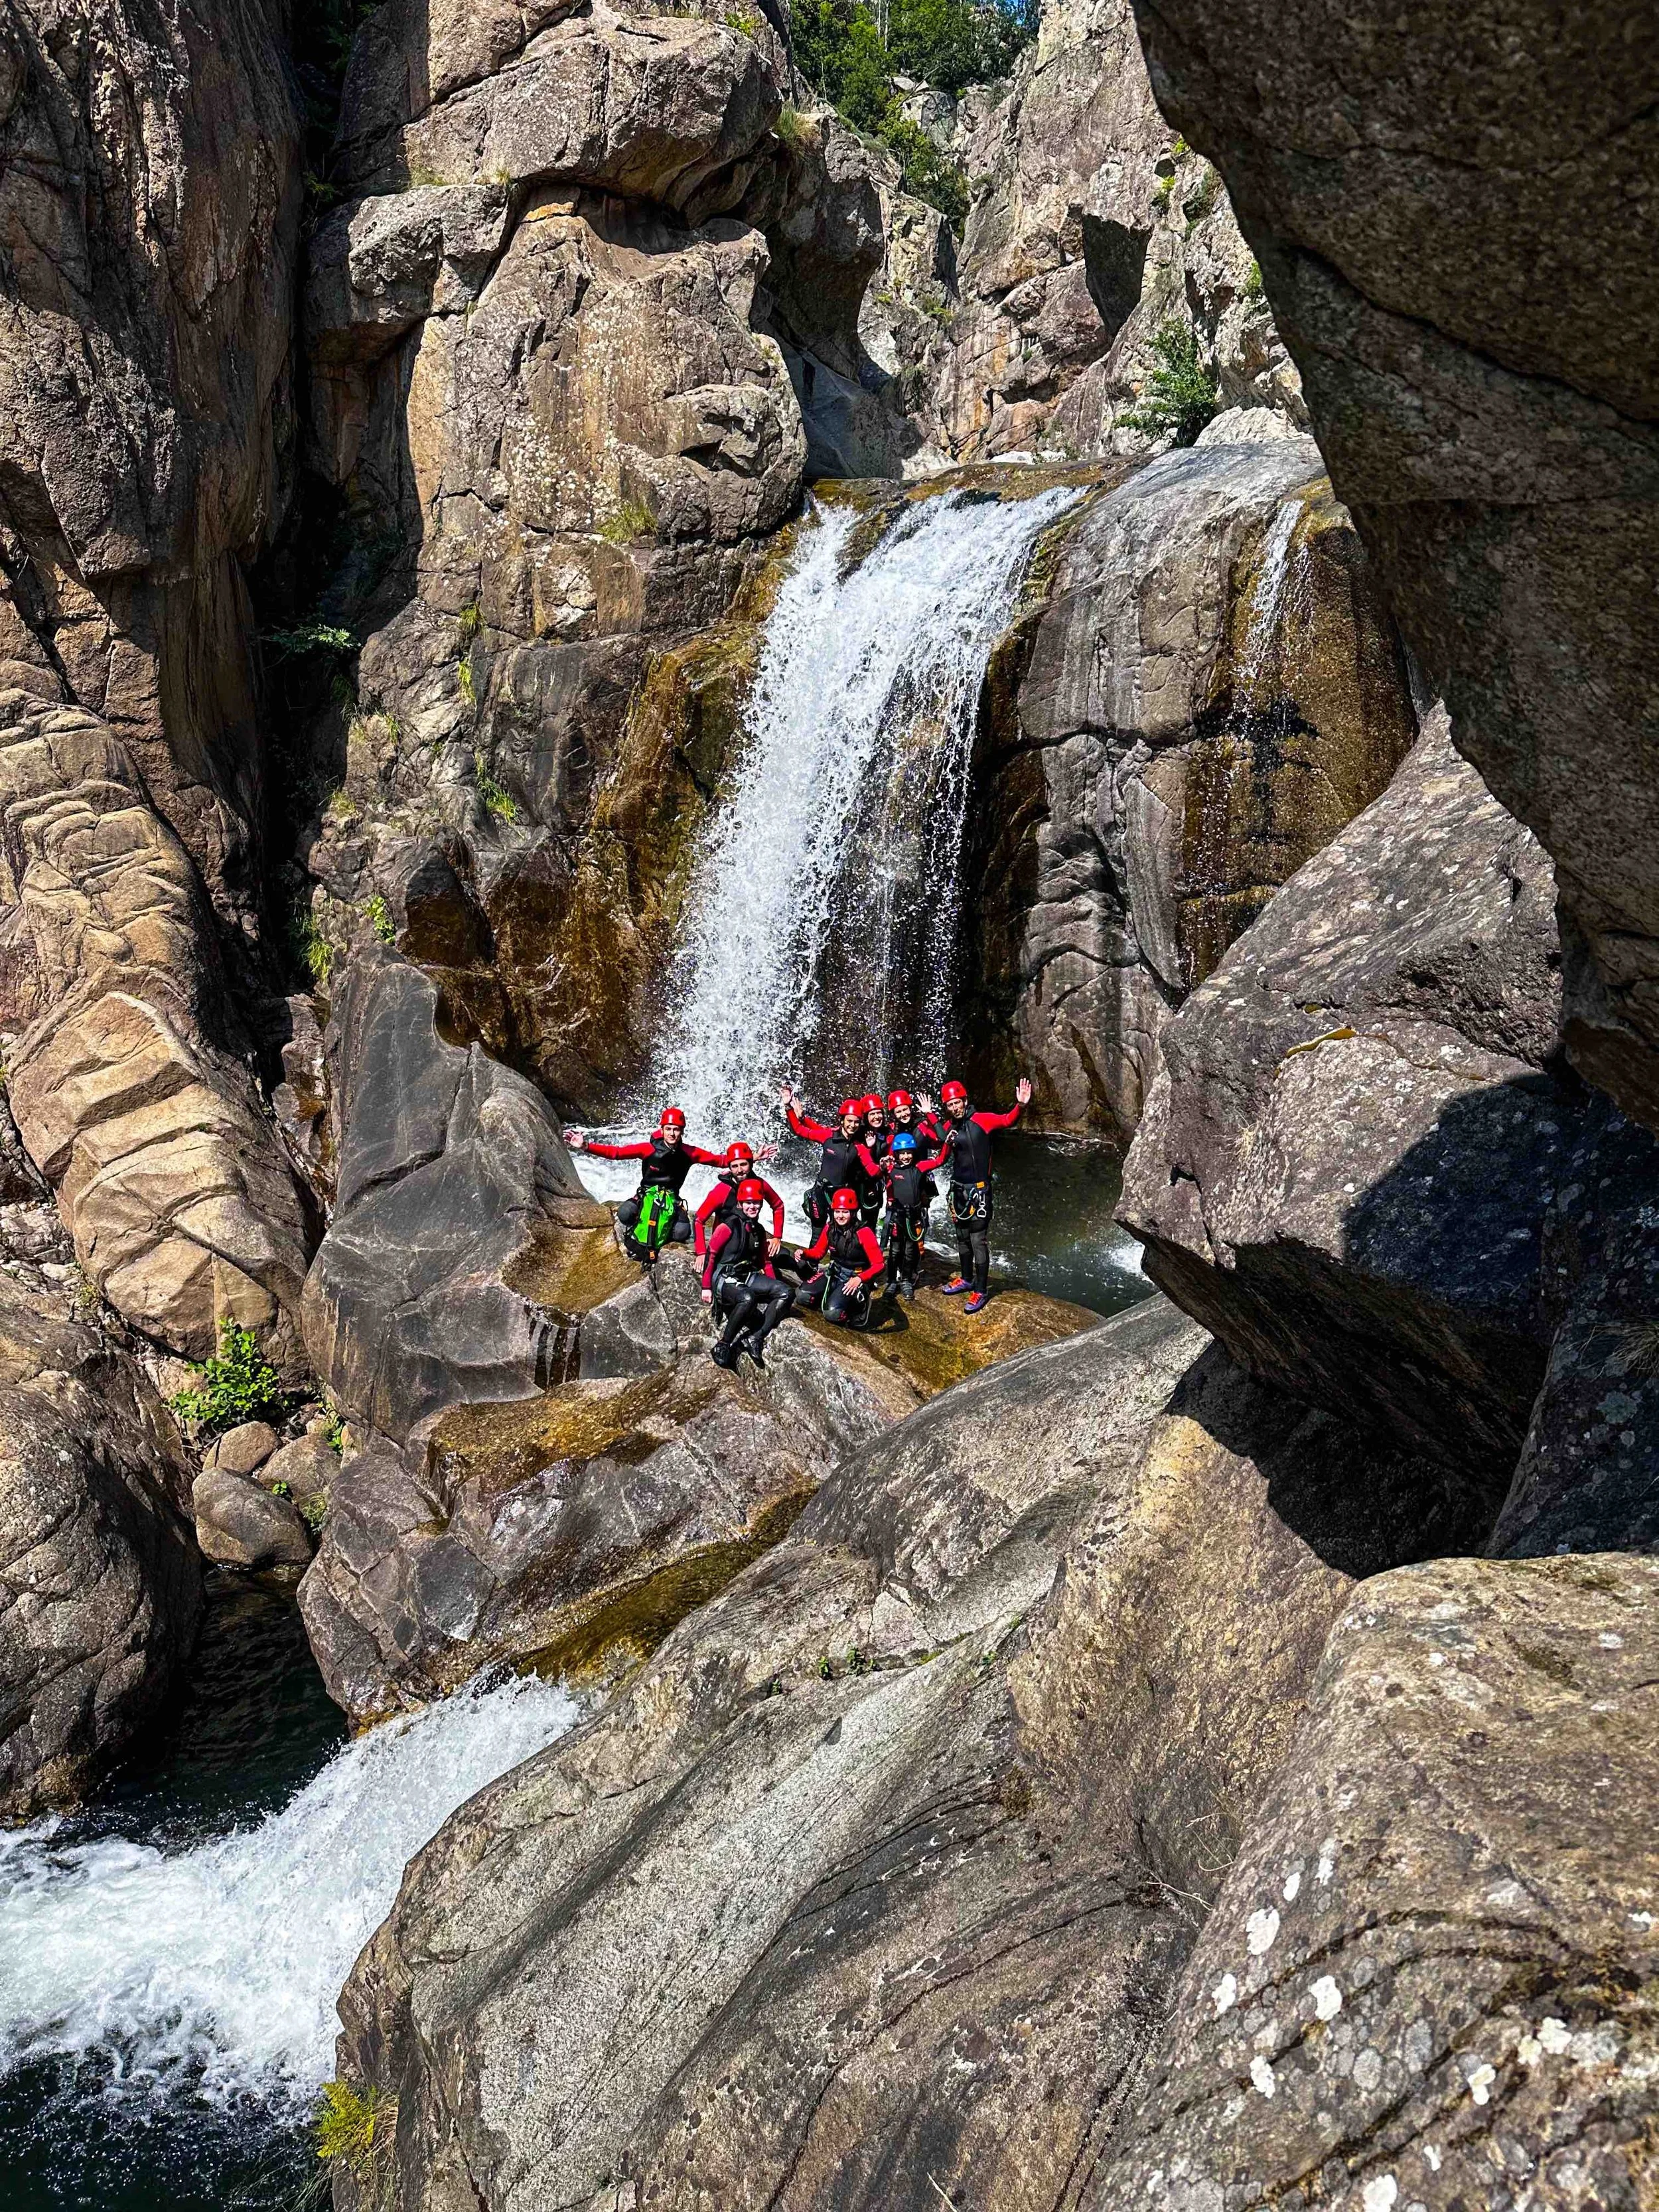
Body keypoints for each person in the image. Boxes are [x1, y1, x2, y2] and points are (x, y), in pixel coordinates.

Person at [919, 1075, 1032, 1313]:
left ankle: (981, 1290)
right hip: (958, 1190)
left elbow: (1007, 1120)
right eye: (950, 1105)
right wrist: (927, 1118)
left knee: (977, 1240)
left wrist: (1020, 1106)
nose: (954, 1108)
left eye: (957, 1103)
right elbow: (941, 1144)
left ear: (965, 1100)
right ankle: (967, 1278)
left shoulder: (982, 1120)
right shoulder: (949, 1128)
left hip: (980, 1191)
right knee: (961, 1238)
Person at [567, 1106, 723, 1261]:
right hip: (646, 1195)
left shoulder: (690, 1153)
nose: (672, 1133)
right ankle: (639, 1229)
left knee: (682, 1233)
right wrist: (586, 1146)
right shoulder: (648, 1149)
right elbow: (617, 1153)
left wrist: (737, 1164)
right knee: (625, 1214)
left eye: (676, 1129)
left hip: (671, 1200)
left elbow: (718, 1160)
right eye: (668, 1129)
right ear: (662, 1130)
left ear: (682, 1131)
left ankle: (661, 1232)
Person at [702, 1180, 794, 1370]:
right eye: (749, 1203)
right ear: (740, 1203)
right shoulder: (728, 1226)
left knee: (786, 1292)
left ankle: (755, 1337)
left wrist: (773, 1286)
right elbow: (711, 1255)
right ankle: (723, 1345)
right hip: (724, 1277)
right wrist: (706, 1287)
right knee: (747, 1298)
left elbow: (765, 1262)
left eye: (757, 1203)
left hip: (746, 1275)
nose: (753, 1207)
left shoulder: (758, 1230)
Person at [779, 1084, 883, 1234]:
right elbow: (800, 1130)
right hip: (821, 1192)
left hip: (842, 1196)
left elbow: (873, 1170)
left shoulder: (860, 1146)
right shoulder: (828, 1136)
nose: (853, 1125)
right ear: (842, 1121)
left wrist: (884, 1166)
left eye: (856, 1122)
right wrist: (788, 1107)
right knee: (817, 1233)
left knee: (840, 1233)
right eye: (849, 1121)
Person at [796, 1186, 885, 1328]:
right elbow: (819, 1252)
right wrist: (804, 1254)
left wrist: (860, 1279)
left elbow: (879, 1264)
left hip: (854, 1277)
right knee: (802, 1295)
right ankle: (835, 1296)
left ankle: (861, 1305)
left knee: (833, 1314)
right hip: (834, 1272)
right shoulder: (830, 1228)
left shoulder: (864, 1233)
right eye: (837, 1212)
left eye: (845, 1212)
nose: (840, 1216)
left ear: (854, 1212)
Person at [693, 1142, 786, 1259]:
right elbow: (698, 1220)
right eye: (735, 1166)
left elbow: (778, 1206)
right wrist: (701, 1253)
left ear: (751, 1164)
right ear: (730, 1168)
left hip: (750, 1239)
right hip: (726, 1245)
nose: (740, 1170)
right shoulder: (722, 1190)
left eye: (743, 1165)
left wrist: (777, 1237)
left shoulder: (759, 1184)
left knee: (788, 1258)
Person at [881, 1128, 936, 1300]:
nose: (905, 1156)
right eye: (902, 1153)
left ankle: (906, 1280)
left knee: (910, 1251)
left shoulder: (919, 1168)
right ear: (896, 1155)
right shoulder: (890, 1169)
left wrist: (948, 1145)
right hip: (897, 1216)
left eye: (908, 1153)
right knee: (895, 1251)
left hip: (914, 1217)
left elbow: (942, 1160)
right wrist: (882, 1166)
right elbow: (875, 1172)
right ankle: (891, 1281)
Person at [887, 1088, 942, 1153]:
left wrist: (929, 1114)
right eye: (899, 1112)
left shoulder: (922, 1125)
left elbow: (941, 1140)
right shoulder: (891, 1129)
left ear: (910, 1109)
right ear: (894, 1115)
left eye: (905, 1109)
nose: (903, 1114)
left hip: (922, 1161)